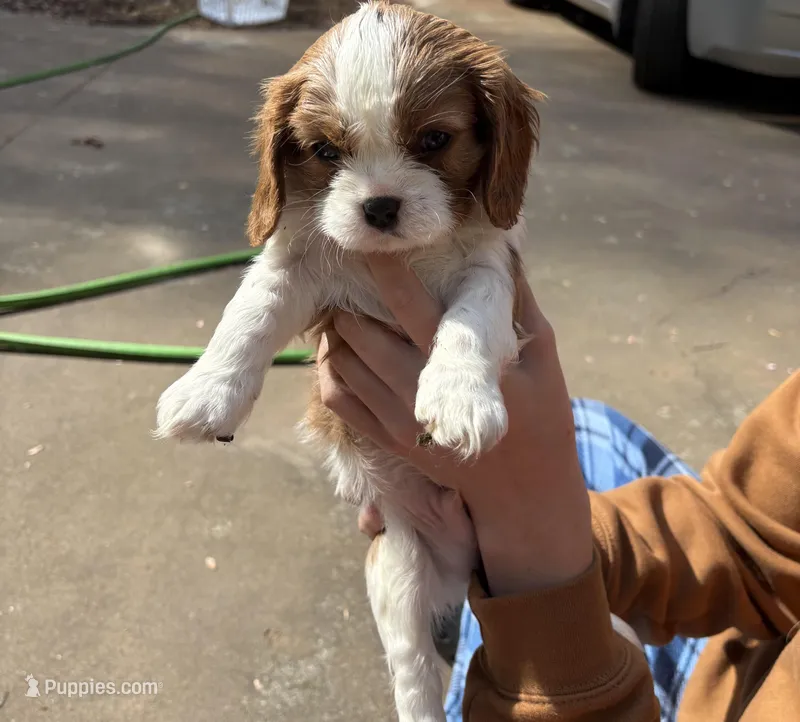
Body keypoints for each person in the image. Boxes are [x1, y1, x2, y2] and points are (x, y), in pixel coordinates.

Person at [316, 254, 800, 722]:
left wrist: (532, 545)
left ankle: (466, 609)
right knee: (582, 423)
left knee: (506, 432)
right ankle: (465, 584)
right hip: (741, 662)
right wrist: (543, 494)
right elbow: (750, 532)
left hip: (593, 700)